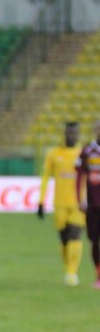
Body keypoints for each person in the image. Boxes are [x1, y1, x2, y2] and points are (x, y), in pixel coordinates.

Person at [37, 121, 84, 286]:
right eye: (70, 132)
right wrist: (41, 201)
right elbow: (45, 177)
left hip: (79, 204)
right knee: (64, 241)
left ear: (79, 134)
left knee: (74, 235)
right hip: (60, 204)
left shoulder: (83, 153)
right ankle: (68, 269)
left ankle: (72, 273)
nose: (72, 135)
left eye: (75, 132)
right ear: (65, 133)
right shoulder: (54, 153)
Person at [75, 120, 100, 288]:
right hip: (92, 205)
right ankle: (98, 275)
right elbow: (79, 177)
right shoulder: (87, 151)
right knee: (94, 240)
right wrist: (80, 198)